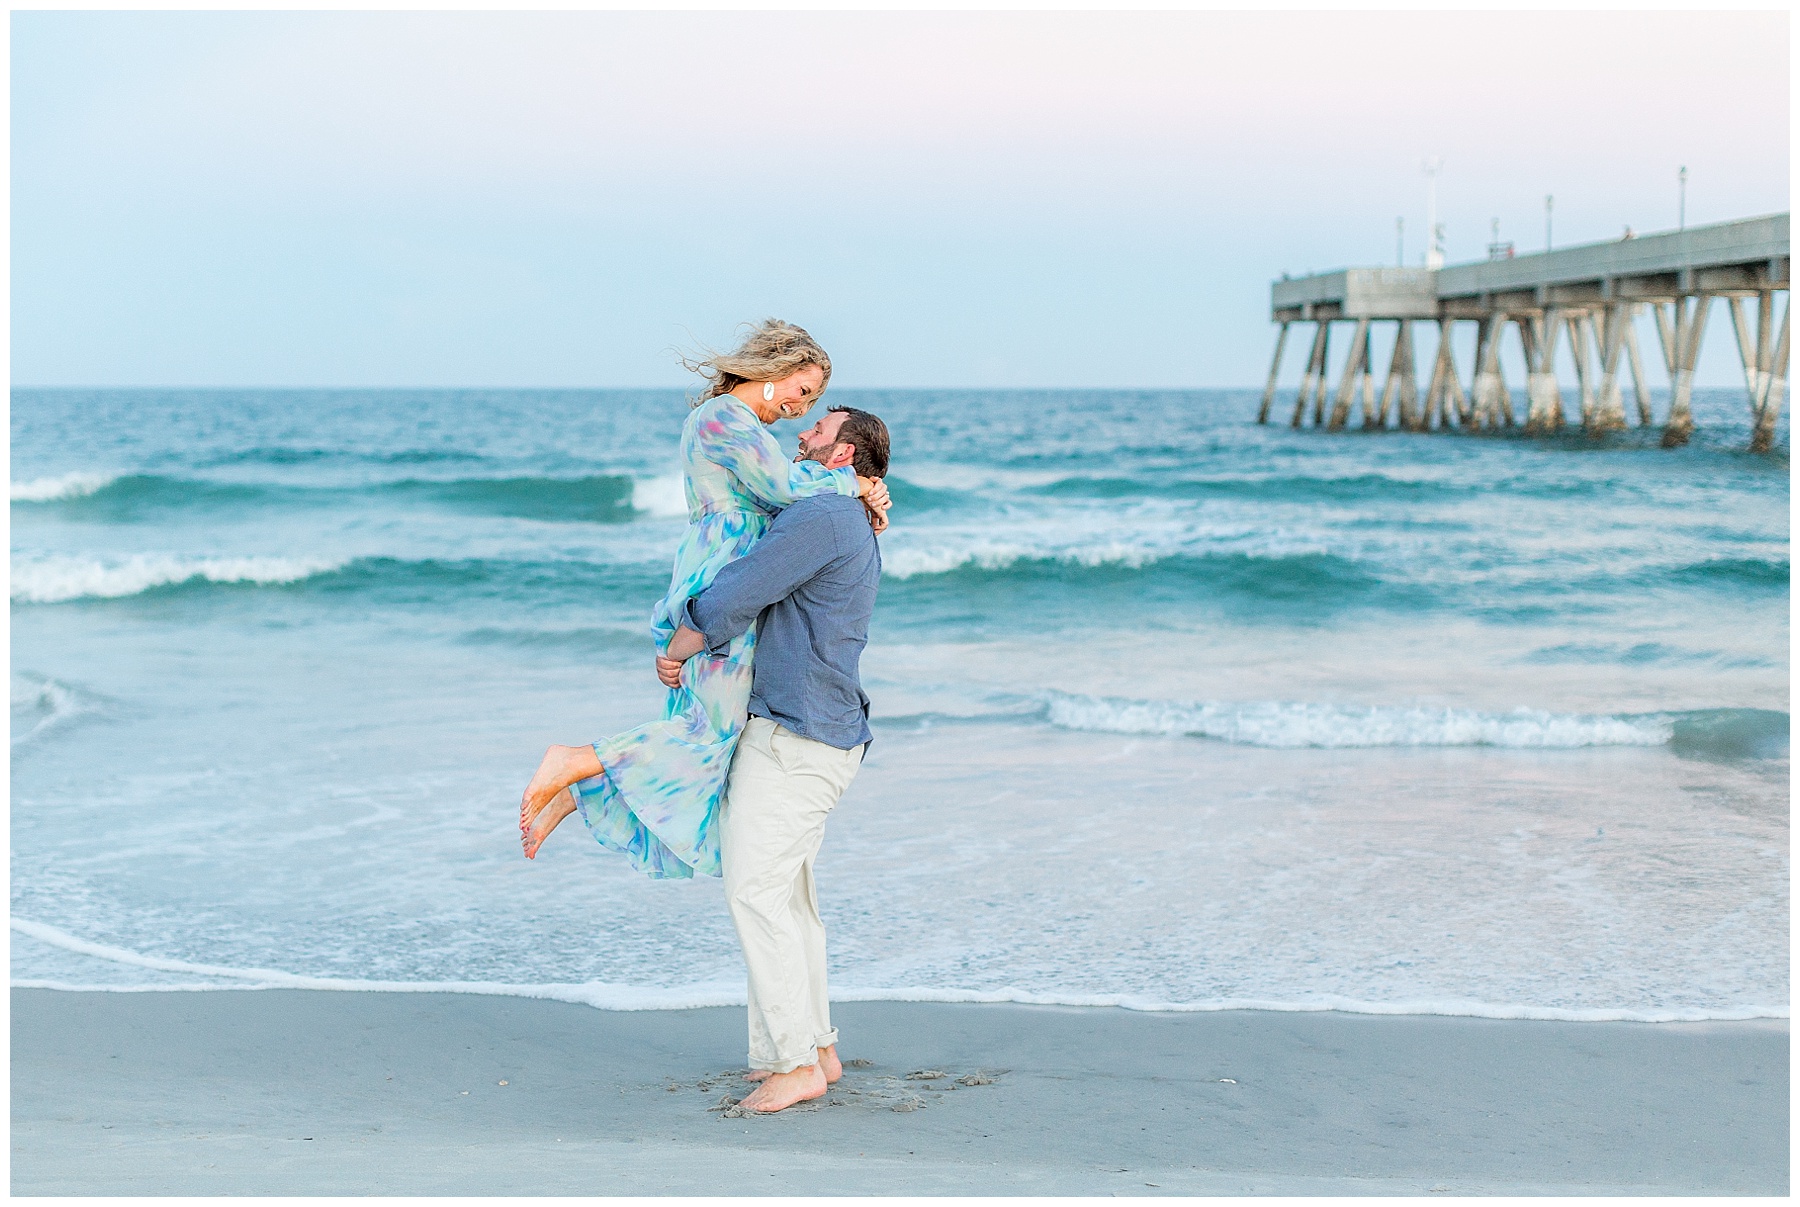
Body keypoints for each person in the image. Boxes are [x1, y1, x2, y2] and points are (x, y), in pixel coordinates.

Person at [516, 321, 889, 874]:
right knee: (708, 730)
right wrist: (853, 485)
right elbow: (785, 489)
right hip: (726, 565)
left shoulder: (739, 423)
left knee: (712, 732)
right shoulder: (724, 419)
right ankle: (576, 762)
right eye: (803, 390)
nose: (802, 408)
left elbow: (787, 492)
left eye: (812, 401)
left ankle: (584, 792)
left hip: (730, 566)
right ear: (776, 372)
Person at [659, 404, 890, 1113]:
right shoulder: (841, 514)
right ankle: (813, 1046)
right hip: (823, 730)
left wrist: (683, 639)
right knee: (788, 896)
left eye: (817, 431)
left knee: (756, 892)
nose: (801, 435)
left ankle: (796, 1062)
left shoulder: (823, 516)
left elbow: (748, 584)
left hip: (798, 735)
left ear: (844, 456)